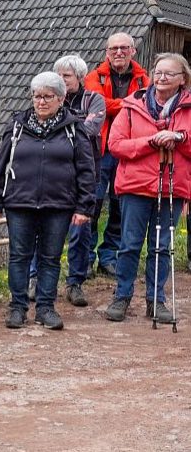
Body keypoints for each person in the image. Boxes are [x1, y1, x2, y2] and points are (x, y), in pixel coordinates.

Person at [0, 72, 95, 330]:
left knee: (50, 257)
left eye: (48, 96)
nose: (41, 101)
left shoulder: (74, 128)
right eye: (37, 96)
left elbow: (87, 170)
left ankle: (46, 308)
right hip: (19, 203)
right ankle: (17, 307)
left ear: (61, 98)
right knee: (19, 256)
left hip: (58, 205)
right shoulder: (16, 126)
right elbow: (1, 165)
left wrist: (84, 206)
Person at [104, 54, 191, 323]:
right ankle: (122, 296)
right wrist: (150, 142)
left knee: (162, 246)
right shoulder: (132, 107)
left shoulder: (189, 109)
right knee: (129, 244)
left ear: (182, 80)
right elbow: (115, 145)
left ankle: (157, 301)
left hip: (172, 186)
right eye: (158, 72)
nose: (161, 77)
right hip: (135, 186)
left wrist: (180, 138)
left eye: (169, 73)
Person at [84, 33, 149, 277]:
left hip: (130, 150)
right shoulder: (94, 77)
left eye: (124, 48)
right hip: (100, 151)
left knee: (120, 206)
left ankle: (109, 256)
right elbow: (99, 105)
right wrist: (131, 103)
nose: (118, 52)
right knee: (93, 203)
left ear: (133, 50)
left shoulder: (144, 78)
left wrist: (117, 104)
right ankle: (86, 258)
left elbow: (147, 106)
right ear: (107, 52)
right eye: (114, 49)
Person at [54, 55, 106, 307]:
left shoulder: (94, 99)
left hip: (86, 176)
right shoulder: (51, 99)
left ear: (79, 77)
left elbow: (89, 131)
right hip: (55, 177)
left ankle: (75, 282)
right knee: (46, 232)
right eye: (59, 75)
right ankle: (39, 279)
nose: (62, 80)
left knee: (80, 232)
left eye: (67, 76)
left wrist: (61, 128)